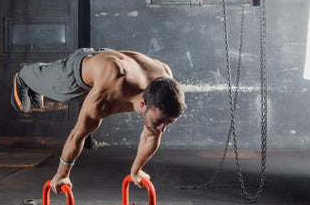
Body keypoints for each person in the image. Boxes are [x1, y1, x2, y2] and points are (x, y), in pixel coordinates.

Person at [11, 48, 187, 194]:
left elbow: (151, 137)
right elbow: (78, 134)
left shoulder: (164, 83)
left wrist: (136, 171)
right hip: (80, 73)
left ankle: (38, 84)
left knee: (153, 126)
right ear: (143, 103)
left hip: (111, 63)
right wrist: (62, 174)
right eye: (160, 122)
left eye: (168, 123)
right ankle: (24, 78)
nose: (162, 129)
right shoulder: (108, 92)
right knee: (54, 87)